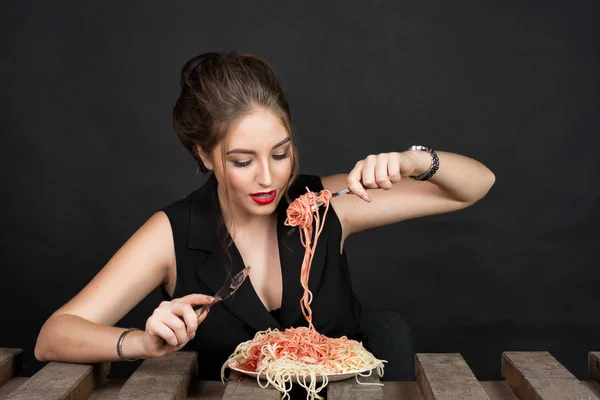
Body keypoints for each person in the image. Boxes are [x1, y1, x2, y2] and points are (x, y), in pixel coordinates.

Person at [35, 52, 495, 381]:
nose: (268, 178)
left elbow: (472, 188)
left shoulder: (322, 202)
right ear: (205, 155)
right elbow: (54, 336)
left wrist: (414, 162)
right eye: (241, 161)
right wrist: (140, 343)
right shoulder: (174, 232)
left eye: (280, 153)